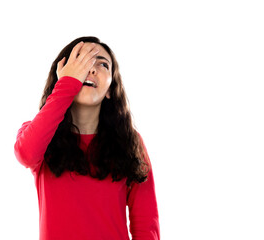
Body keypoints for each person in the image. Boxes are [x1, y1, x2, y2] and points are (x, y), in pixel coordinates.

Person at [14, 36, 160, 240]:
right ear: (63, 76)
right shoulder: (37, 134)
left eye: (102, 64)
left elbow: (146, 224)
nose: (91, 69)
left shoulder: (130, 141)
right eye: (80, 60)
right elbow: (26, 153)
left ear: (110, 89)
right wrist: (67, 84)